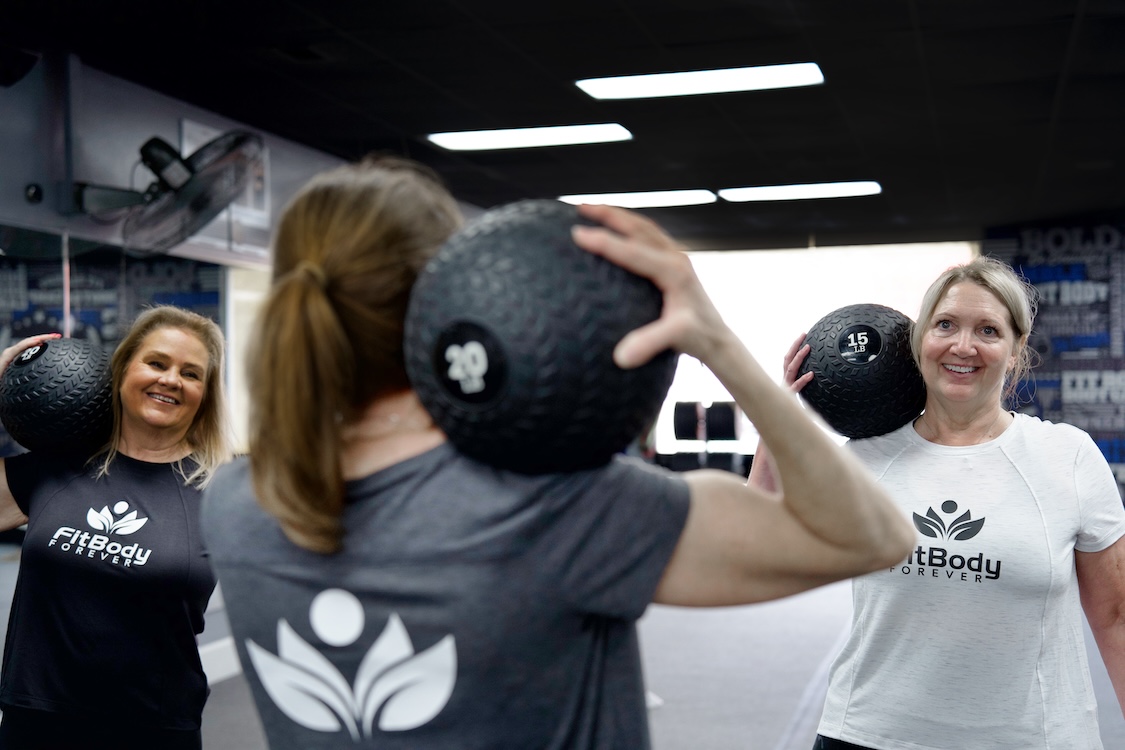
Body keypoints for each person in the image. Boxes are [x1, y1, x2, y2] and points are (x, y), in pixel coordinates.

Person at [199, 155, 915, 749]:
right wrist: (716, 343)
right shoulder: (553, 503)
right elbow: (873, 537)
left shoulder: (237, 502)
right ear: (451, 293)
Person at [752, 255, 1125, 750]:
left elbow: (1115, 614)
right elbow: (758, 540)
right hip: (869, 735)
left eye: (988, 330)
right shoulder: (864, 458)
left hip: (1036, 739)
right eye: (945, 324)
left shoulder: (1067, 457)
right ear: (918, 340)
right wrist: (776, 419)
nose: (962, 346)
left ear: (1016, 350)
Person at [0, 305, 234, 750]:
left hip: (151, 730)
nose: (170, 380)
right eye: (157, 362)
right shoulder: (55, 467)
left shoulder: (222, 494)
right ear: (123, 368)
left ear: (205, 394)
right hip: (35, 722)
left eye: (191, 373)